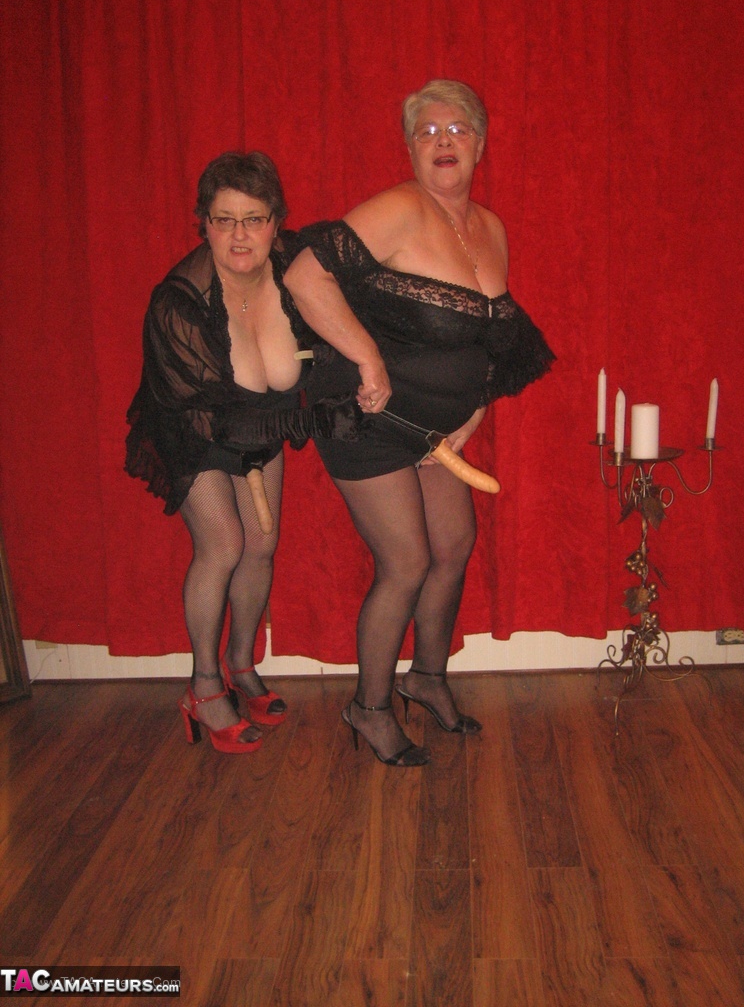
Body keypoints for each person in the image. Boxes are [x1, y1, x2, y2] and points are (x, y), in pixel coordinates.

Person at [284, 80, 554, 767]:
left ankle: (427, 678)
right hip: (366, 414)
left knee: (453, 546)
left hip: (436, 432)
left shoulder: (491, 228)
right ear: (408, 148)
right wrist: (367, 356)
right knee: (405, 561)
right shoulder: (400, 210)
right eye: (427, 131)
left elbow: (493, 341)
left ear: (480, 144)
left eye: (456, 129)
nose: (443, 141)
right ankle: (369, 708)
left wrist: (474, 411)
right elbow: (305, 277)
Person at [126, 151, 360, 753]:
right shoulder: (179, 303)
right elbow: (205, 413)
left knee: (262, 543)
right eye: (223, 219)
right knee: (225, 544)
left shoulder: (295, 273)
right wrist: (310, 418)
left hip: (261, 422)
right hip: (192, 425)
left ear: (276, 223)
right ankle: (203, 688)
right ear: (203, 223)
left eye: (253, 219)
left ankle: (240, 663)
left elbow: (332, 338)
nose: (238, 235)